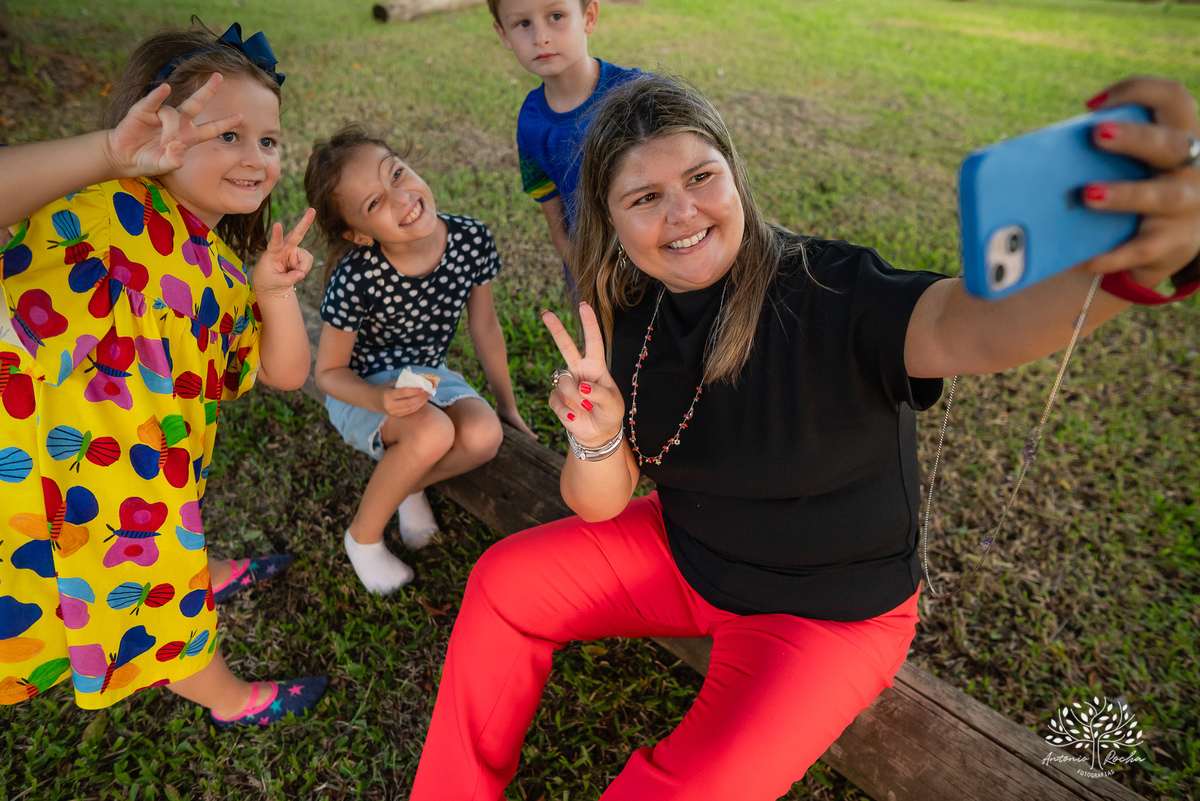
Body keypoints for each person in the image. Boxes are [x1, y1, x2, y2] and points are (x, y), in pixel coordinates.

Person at [410, 74, 1200, 798]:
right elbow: (600, 501)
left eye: (701, 177)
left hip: (825, 614)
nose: (683, 214)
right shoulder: (627, 309)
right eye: (645, 197)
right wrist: (599, 437)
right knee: (504, 584)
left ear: (735, 177)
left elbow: (968, 327)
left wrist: (1134, 268)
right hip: (684, 555)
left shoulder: (830, 288)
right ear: (610, 222)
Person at [0, 24, 327, 727]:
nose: (256, 157)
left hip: (156, 477)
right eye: (228, 136)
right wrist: (105, 153)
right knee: (156, 602)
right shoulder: (105, 215)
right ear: (157, 132)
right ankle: (230, 699)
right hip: (86, 490)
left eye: (268, 141)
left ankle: (197, 567)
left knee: (169, 554)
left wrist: (274, 294)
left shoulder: (221, 267)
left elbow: (285, 373)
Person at [305, 126, 537, 595]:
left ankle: (407, 483)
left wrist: (506, 405)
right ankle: (363, 536)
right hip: (362, 390)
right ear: (357, 234)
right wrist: (379, 398)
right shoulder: (357, 276)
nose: (401, 198)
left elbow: (485, 329)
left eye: (396, 173)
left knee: (484, 434)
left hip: (429, 378)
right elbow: (328, 373)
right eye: (374, 203)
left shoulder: (470, 239)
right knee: (433, 431)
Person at [489, 0, 641, 280]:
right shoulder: (531, 121)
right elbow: (550, 204)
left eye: (556, 16)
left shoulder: (640, 95)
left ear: (589, 16)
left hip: (661, 264)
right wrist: (583, 272)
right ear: (503, 35)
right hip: (590, 272)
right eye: (523, 23)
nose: (540, 38)